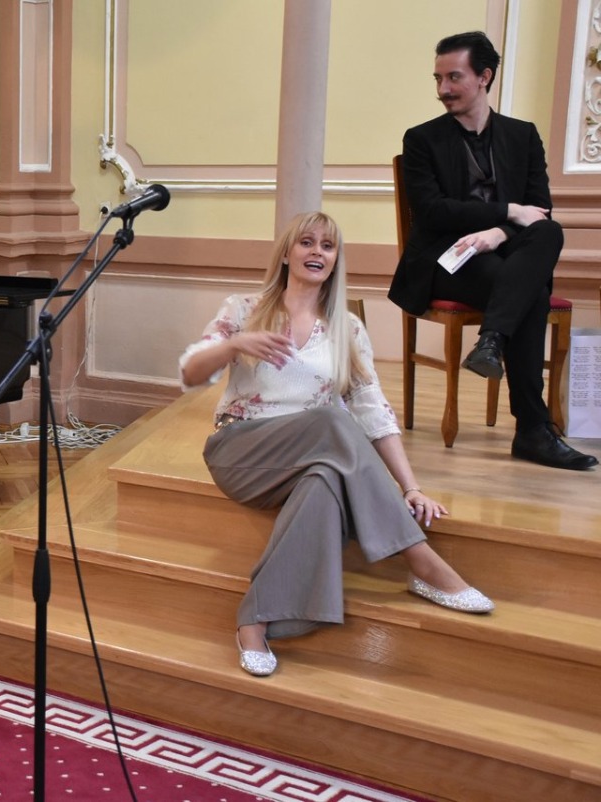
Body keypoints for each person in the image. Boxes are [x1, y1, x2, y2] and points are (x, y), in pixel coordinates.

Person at [179, 212, 494, 678]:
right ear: (286, 254)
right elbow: (191, 373)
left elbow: (372, 409)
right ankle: (421, 561)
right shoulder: (243, 309)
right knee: (331, 419)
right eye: (306, 242)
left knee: (326, 478)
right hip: (241, 452)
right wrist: (234, 345)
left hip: (310, 458)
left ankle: (255, 620)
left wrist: (411, 487)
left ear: (335, 260)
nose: (316, 252)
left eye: (327, 246)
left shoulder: (347, 329)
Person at [389, 31, 597, 471]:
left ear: (484, 77)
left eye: (454, 77)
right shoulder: (421, 139)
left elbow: (539, 210)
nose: (443, 88)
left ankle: (491, 341)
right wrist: (507, 212)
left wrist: (498, 233)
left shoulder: (523, 136)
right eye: (438, 78)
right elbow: (431, 212)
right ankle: (533, 430)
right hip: (447, 258)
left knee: (549, 232)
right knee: (530, 294)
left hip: (505, 253)